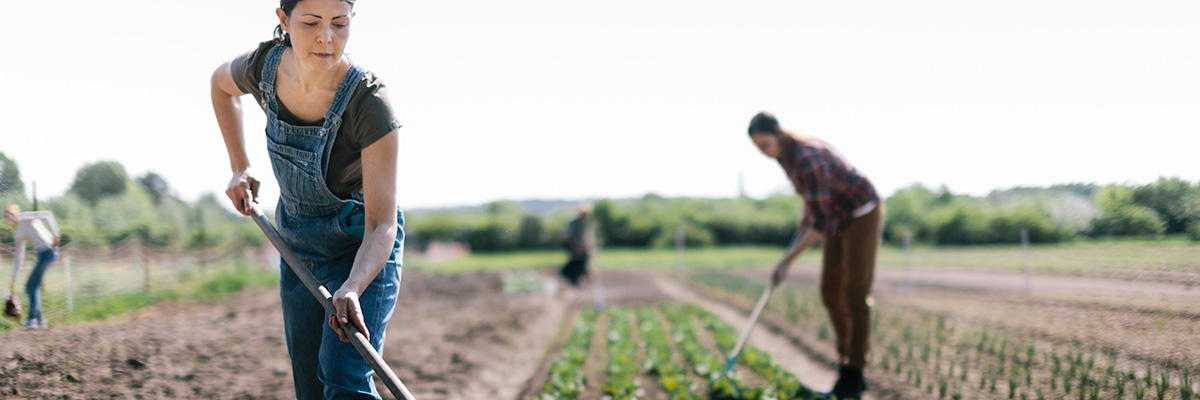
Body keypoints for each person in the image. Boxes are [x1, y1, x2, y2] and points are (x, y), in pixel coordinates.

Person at [209, 0, 404, 398]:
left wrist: (352, 287)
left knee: (344, 379)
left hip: (360, 250)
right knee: (311, 387)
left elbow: (383, 225)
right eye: (311, 22)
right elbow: (220, 84)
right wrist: (239, 166)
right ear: (284, 20)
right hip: (298, 245)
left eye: (339, 23)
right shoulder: (264, 68)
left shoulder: (370, 104)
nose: (326, 38)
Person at [747, 111, 883, 400]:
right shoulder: (784, 156)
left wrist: (787, 261)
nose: (763, 152)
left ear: (779, 134)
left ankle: (854, 373)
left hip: (861, 213)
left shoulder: (808, 155)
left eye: (765, 144)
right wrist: (805, 212)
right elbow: (814, 197)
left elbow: (821, 225)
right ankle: (846, 360)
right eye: (758, 147)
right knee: (830, 293)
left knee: (854, 294)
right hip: (835, 216)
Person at [4, 205, 60, 330]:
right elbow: (19, 257)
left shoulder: (25, 217)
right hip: (42, 255)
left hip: (48, 251)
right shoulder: (18, 234)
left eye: (9, 213)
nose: (8, 217)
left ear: (15, 213)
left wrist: (56, 235)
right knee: (32, 287)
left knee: (31, 286)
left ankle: (32, 320)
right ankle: (40, 321)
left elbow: (47, 215)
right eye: (6, 216)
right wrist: (14, 278)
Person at [560, 204, 592, 287]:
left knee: (583, 257)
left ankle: (578, 274)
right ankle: (566, 273)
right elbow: (569, 237)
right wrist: (576, 247)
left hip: (578, 245)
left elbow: (584, 237)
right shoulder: (574, 223)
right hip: (570, 243)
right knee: (576, 257)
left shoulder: (584, 224)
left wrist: (585, 246)